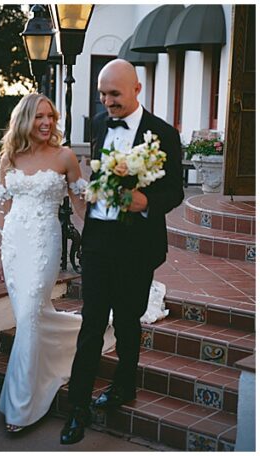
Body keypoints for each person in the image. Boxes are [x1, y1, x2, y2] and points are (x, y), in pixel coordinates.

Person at [61, 59, 183, 445]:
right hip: (98, 243)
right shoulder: (99, 124)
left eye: (114, 94)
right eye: (102, 94)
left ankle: (124, 386)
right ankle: (76, 408)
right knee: (91, 325)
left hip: (137, 245)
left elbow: (175, 190)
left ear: (136, 89)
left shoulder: (163, 133)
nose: (106, 101)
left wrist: (146, 200)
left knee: (128, 323)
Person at [0, 93, 115, 432]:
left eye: (50, 117)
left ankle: (20, 408)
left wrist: (104, 238)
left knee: (30, 314)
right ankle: (78, 332)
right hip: (15, 246)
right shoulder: (9, 159)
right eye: (39, 117)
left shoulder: (65, 157)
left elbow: (80, 206)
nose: (46, 123)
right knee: (32, 316)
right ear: (25, 121)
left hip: (44, 243)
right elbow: (2, 209)